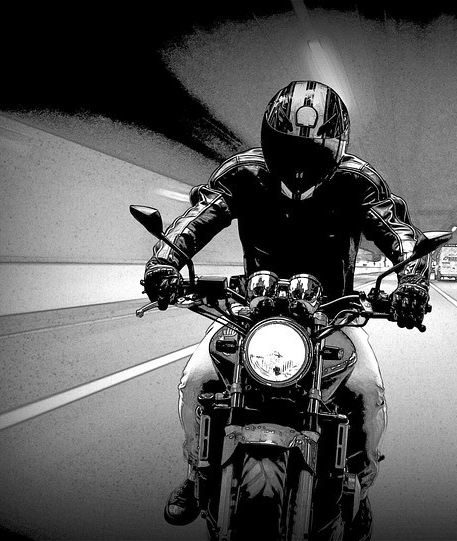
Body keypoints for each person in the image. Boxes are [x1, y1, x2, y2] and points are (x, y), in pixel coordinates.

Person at [141, 80, 431, 532]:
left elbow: (399, 233)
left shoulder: (357, 182)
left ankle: (360, 480)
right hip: (250, 310)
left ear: (336, 149)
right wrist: (164, 262)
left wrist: (411, 282)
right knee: (196, 379)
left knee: (366, 390)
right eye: (288, 148)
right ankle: (196, 469)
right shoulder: (242, 174)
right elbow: (197, 218)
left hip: (332, 313)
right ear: (268, 139)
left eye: (312, 152)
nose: (298, 164)